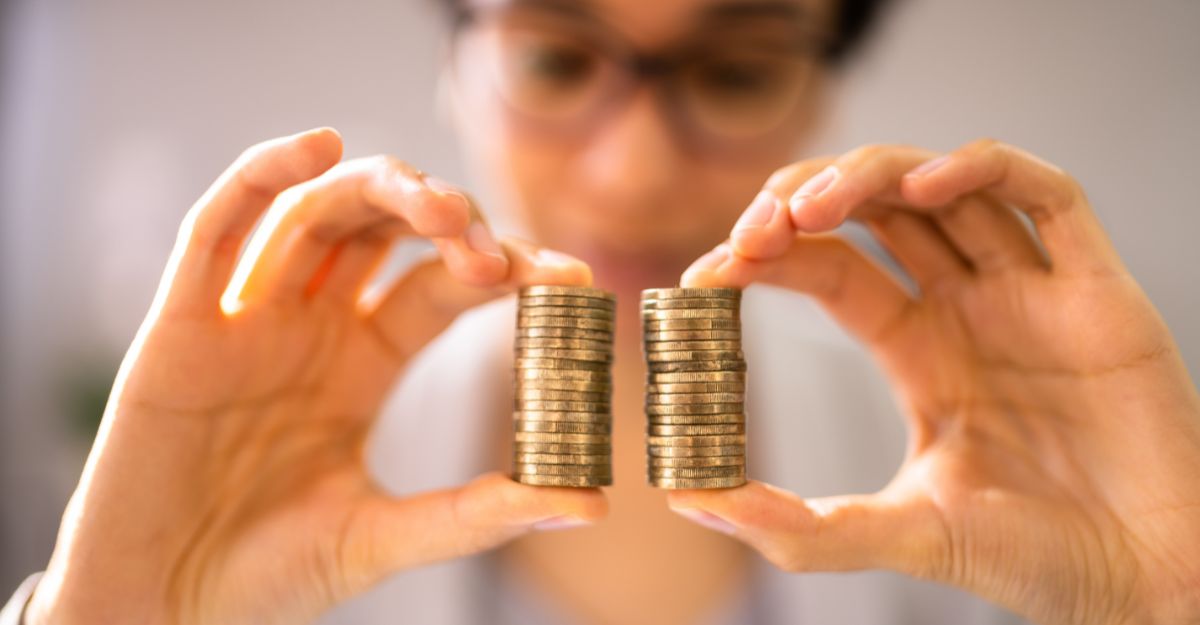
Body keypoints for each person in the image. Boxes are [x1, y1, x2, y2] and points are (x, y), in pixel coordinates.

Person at [4, 0, 1200, 623]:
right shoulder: (248, 491)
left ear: (820, 88)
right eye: (556, 58)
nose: (632, 172)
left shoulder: (1012, 479)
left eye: (735, 69)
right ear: (455, 65)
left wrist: (1161, 600)